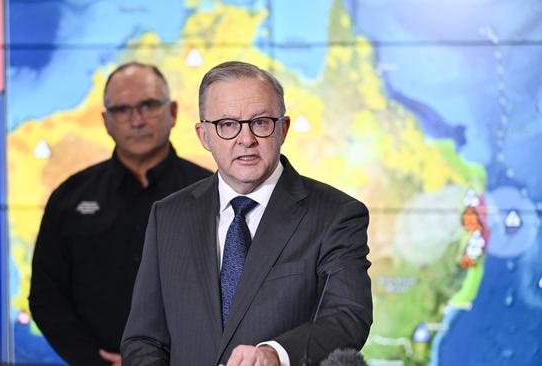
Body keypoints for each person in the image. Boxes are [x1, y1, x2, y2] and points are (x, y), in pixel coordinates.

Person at [121, 61, 373, 366]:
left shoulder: (336, 215)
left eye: (261, 122)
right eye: (227, 124)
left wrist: (275, 355)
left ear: (283, 129)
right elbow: (144, 340)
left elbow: (347, 317)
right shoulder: (168, 216)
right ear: (204, 136)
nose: (246, 139)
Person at [29, 62, 212, 366]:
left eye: (149, 105)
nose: (137, 120)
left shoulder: (214, 194)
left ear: (173, 112)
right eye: (122, 110)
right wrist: (93, 361)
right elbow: (46, 297)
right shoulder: (69, 198)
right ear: (105, 121)